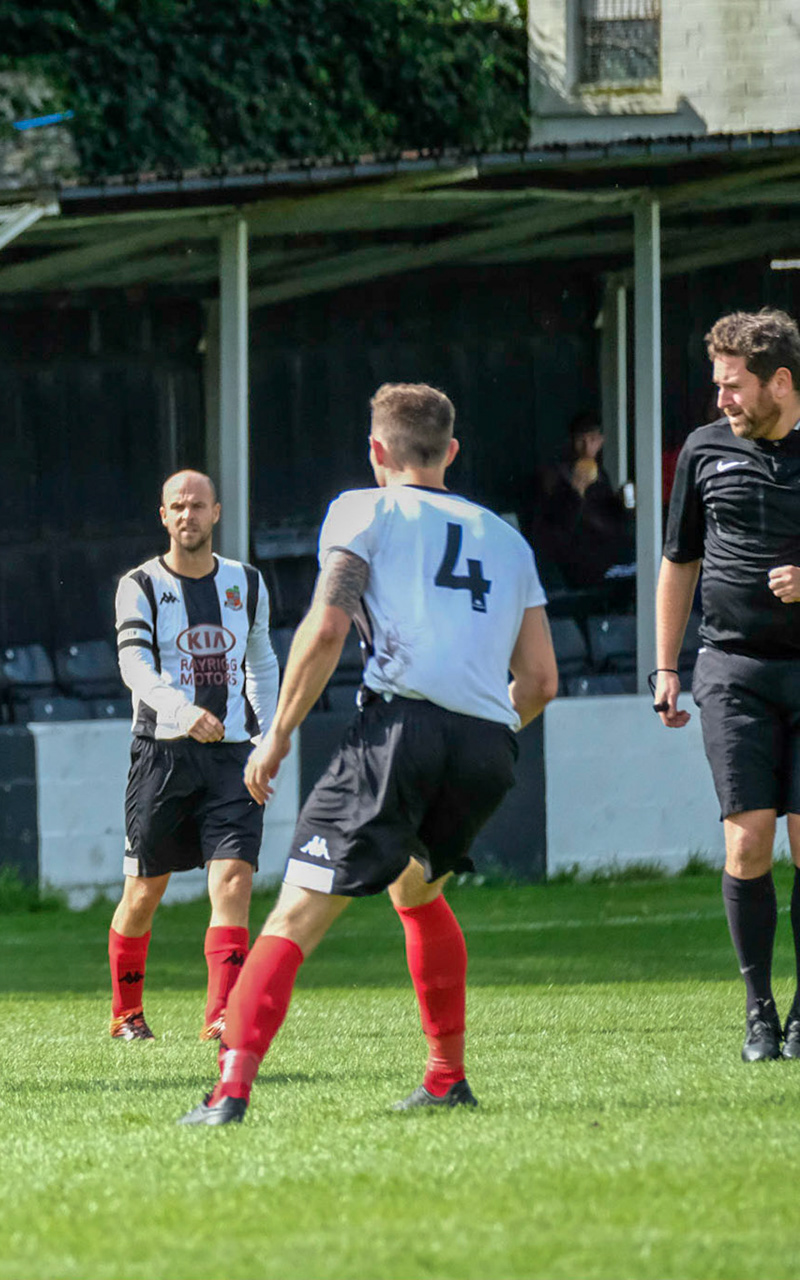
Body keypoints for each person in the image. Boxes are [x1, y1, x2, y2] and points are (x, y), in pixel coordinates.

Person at [178, 383, 558, 1126]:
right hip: (488, 745)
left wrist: (279, 732)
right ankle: (447, 1077)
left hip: (399, 735)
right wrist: (477, 728)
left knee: (292, 917)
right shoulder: (509, 540)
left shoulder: (365, 508)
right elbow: (541, 680)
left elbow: (326, 626)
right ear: (451, 452)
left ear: (377, 452)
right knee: (417, 891)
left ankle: (229, 1091)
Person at [653, 308, 800, 1062]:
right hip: (732, 669)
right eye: (717, 385)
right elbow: (679, 561)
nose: (722, 400)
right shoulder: (705, 453)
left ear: (780, 381)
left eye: (735, 386)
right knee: (747, 846)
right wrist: (668, 666)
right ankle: (758, 1013)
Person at [106, 470, 279, 1043]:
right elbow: (134, 667)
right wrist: (182, 712)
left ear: (216, 513)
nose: (188, 516)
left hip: (233, 758)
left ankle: (222, 1015)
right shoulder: (139, 585)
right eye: (177, 507)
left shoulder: (247, 584)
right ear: (163, 516)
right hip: (162, 756)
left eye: (197, 506)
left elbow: (262, 662)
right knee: (143, 890)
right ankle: (127, 1014)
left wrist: (268, 737)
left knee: (233, 878)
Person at [524, 412, 633, 592]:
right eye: (581, 440)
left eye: (592, 440)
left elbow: (610, 518)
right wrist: (576, 489)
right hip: (577, 560)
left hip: (609, 553)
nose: (586, 447)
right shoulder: (554, 475)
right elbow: (557, 527)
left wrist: (621, 502)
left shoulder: (601, 474)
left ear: (600, 441)